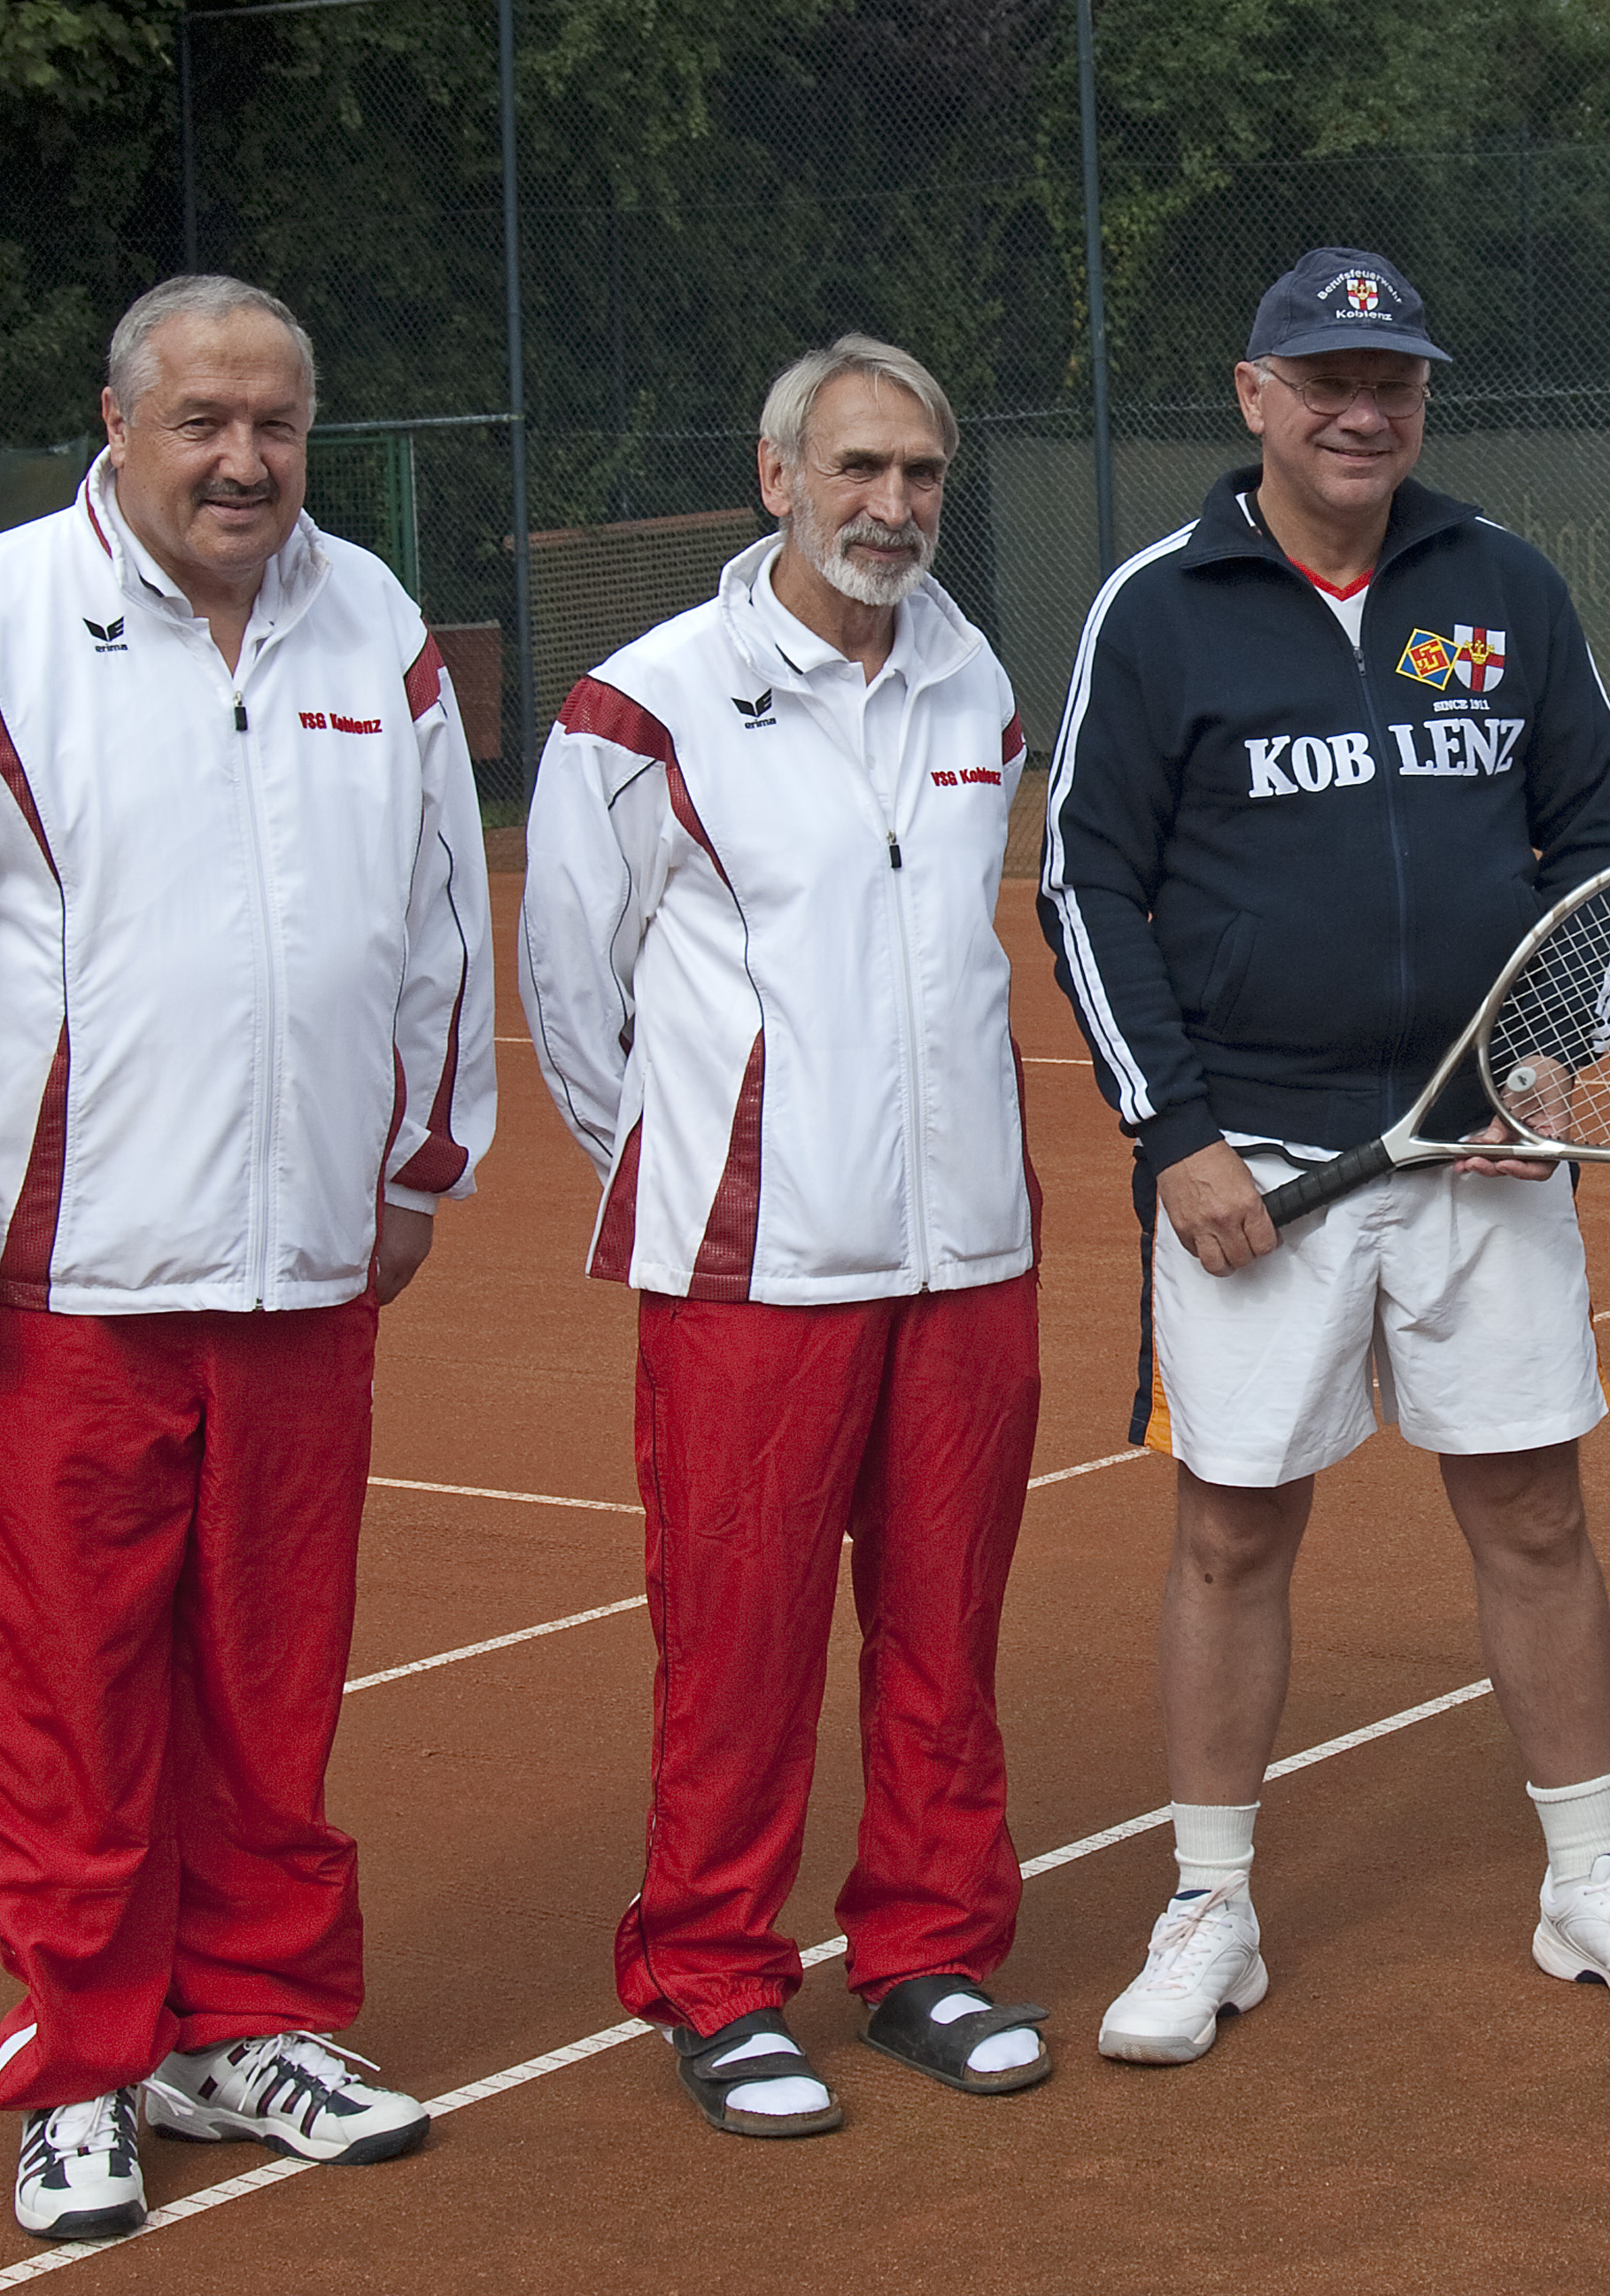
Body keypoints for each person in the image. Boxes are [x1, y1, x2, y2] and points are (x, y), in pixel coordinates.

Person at [0, 275, 491, 2239]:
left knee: (272, 1674)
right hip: (58, 1280)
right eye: (203, 422)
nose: (245, 458)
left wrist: (419, 1162)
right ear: (117, 421)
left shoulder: (380, 628)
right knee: (68, 1684)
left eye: (276, 422)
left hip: (302, 1267)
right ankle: (83, 2057)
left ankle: (250, 2017)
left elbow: (436, 924)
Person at [1040, 246, 1610, 2062]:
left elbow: (1594, 835)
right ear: (1254, 394)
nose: (1363, 411)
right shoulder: (1158, 606)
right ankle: (1208, 1908)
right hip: (1254, 1159)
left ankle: (1586, 1879)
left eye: (1394, 382)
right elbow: (1084, 880)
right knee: (1231, 1529)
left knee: (1531, 1510)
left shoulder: (1498, 582)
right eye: (1327, 379)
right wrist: (1172, 1132)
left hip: (1476, 1154)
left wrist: (1547, 1054)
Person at [520, 336, 1049, 2133]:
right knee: (734, 1639)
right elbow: (572, 996)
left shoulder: (976, 681)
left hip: (969, 1247)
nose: (891, 505)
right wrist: (702, 1166)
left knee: (942, 1630)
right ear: (777, 480)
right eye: (858, 470)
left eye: (919, 475)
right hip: (755, 1268)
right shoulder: (644, 703)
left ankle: (925, 1950)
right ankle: (715, 1977)